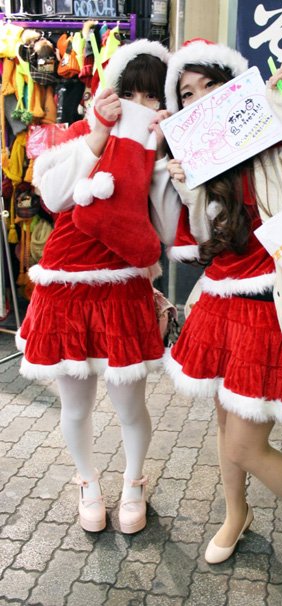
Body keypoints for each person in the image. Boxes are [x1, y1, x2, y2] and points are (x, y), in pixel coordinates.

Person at [163, 38, 282, 574]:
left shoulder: (277, 140)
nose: (197, 99)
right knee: (226, 427)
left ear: (234, 88)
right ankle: (237, 514)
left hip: (270, 309)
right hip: (220, 305)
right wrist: (190, 187)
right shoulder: (206, 163)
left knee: (246, 445)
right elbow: (203, 240)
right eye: (187, 93)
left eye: (208, 86)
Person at [16, 39, 180, 534]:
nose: (140, 106)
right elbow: (54, 195)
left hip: (123, 287)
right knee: (76, 404)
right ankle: (87, 481)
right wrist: (97, 136)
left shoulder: (156, 151)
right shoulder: (77, 136)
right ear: (110, 91)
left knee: (131, 404)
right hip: (64, 287)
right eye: (131, 93)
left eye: (152, 97)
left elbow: (168, 235)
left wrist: (171, 166)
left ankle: (134, 483)